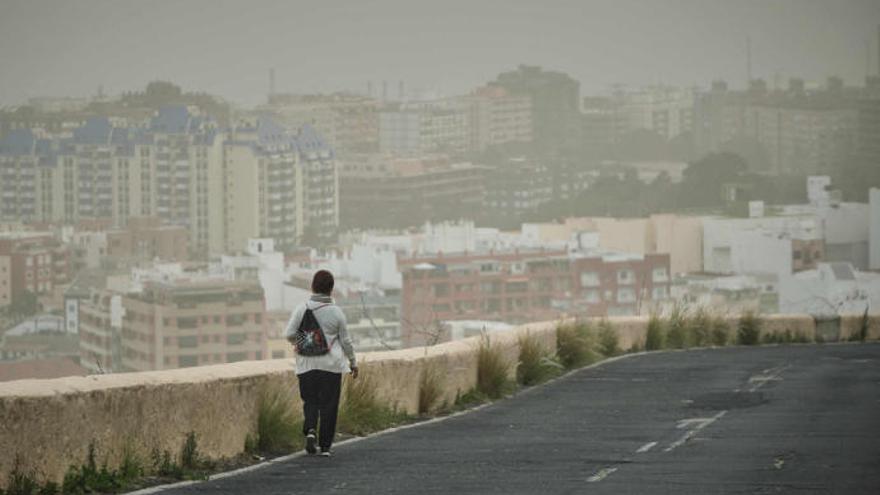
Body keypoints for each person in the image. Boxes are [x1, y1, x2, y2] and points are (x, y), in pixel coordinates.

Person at [284, 269, 358, 457]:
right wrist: (353, 362)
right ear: (331, 289)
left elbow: (289, 334)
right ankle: (325, 447)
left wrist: (304, 342)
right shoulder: (337, 313)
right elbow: (346, 341)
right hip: (331, 366)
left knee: (310, 401)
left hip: (306, 365)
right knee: (329, 405)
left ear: (313, 287)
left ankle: (310, 430)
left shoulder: (302, 308)